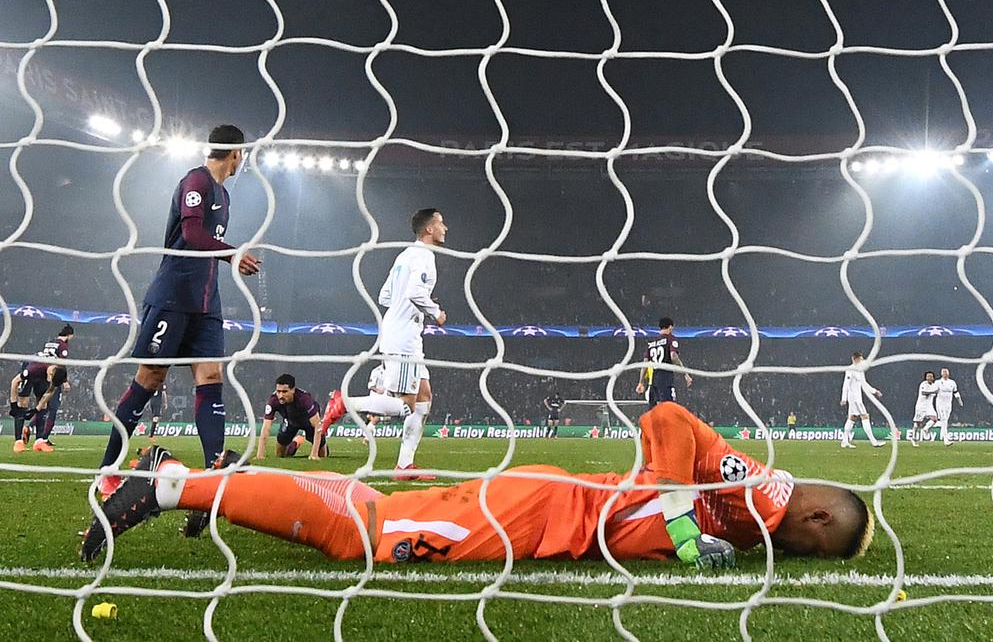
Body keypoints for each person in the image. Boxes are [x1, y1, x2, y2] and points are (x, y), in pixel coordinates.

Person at [82, 402, 874, 569]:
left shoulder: (758, 506)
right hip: (542, 514)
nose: (805, 556)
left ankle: (220, 482)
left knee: (375, 513)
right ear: (811, 513)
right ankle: (172, 487)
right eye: (817, 546)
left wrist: (679, 523)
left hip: (545, 509)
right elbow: (666, 412)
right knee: (365, 540)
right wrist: (676, 528)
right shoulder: (768, 498)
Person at [95, 125, 261, 500]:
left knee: (211, 375)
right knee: (150, 378)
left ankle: (214, 478)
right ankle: (108, 471)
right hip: (173, 296)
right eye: (243, 154)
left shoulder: (225, 195)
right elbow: (190, 233)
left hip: (207, 303)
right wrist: (232, 254)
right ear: (236, 153)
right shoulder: (195, 181)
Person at [344, 208, 448, 480]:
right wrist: (435, 312)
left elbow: (385, 295)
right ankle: (345, 403)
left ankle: (404, 465)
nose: (445, 228)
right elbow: (414, 292)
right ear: (429, 229)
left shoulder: (404, 255)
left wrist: (404, 311)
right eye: (441, 223)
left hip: (401, 331)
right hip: (404, 338)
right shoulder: (424, 256)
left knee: (424, 398)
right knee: (406, 406)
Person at [10, 324, 74, 453]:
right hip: (31, 366)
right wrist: (13, 405)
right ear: (51, 371)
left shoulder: (57, 373)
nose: (50, 380)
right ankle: (18, 442)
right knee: (23, 404)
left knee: (43, 407)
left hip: (43, 373)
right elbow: (15, 382)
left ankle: (39, 441)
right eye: (50, 377)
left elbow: (50, 391)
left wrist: (36, 409)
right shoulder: (34, 368)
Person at [312, 364, 388, 459]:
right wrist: (379, 391)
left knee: (374, 417)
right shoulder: (376, 371)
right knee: (375, 418)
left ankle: (339, 402)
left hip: (385, 399)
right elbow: (370, 385)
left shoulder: (392, 371)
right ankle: (338, 402)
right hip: (375, 398)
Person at [257, 375, 326, 459]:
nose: (280, 395)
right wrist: (260, 454)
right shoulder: (273, 400)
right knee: (280, 455)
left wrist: (314, 454)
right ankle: (295, 444)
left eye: (284, 392)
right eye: (278, 391)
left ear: (293, 390)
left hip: (308, 422)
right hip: (290, 422)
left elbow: (317, 425)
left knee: (323, 455)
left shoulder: (304, 399)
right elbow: (266, 428)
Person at [636, 317, 693, 406]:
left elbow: (645, 364)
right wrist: (685, 374)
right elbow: (673, 356)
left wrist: (641, 382)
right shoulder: (671, 339)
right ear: (670, 327)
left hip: (654, 379)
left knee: (654, 410)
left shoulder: (652, 343)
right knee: (668, 407)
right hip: (665, 376)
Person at [839, 352, 884, 448]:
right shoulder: (850, 370)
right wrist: (844, 398)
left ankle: (844, 441)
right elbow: (846, 384)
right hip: (855, 399)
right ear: (855, 359)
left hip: (857, 398)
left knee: (852, 418)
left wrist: (874, 391)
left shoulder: (860, 371)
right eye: (861, 359)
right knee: (865, 416)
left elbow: (864, 384)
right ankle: (874, 442)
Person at [934, 368, 964, 447]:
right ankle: (946, 440)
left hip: (948, 404)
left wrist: (960, 401)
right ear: (941, 374)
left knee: (945, 420)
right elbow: (933, 392)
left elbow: (955, 392)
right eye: (943, 372)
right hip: (940, 404)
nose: (945, 373)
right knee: (944, 420)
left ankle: (927, 428)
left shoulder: (952, 383)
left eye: (946, 372)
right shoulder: (938, 382)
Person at [909, 371, 939, 447]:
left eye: (931, 376)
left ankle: (926, 429)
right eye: (928, 376)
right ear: (926, 377)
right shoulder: (923, 384)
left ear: (933, 378)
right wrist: (933, 391)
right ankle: (913, 438)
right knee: (917, 424)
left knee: (935, 418)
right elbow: (923, 393)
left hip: (929, 406)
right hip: (921, 406)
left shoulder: (934, 385)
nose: (929, 378)